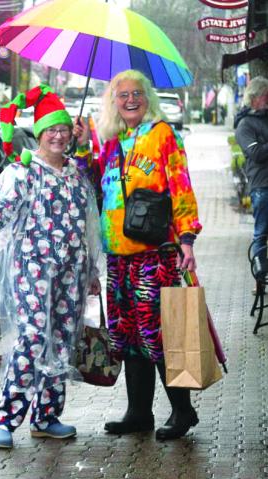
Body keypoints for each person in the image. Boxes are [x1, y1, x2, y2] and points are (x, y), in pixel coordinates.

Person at [0, 84, 101, 449]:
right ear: (39, 133)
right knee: (33, 338)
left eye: (63, 129)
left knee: (62, 340)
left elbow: (89, 226)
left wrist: (92, 274)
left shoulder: (75, 174)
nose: (57, 135)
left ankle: (46, 417)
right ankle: (6, 417)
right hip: (33, 272)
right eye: (50, 129)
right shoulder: (24, 172)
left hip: (71, 274)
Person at [73, 69, 202, 440]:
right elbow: (91, 183)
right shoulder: (113, 141)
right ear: (113, 101)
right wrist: (83, 144)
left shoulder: (163, 134)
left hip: (154, 253)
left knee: (157, 333)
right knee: (125, 334)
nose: (130, 100)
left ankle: (182, 411)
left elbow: (181, 185)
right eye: (122, 94)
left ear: (148, 98)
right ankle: (138, 412)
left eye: (137, 93)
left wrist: (188, 238)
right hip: (117, 254)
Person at [235, 76, 268, 263]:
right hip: (262, 186)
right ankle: (260, 275)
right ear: (255, 97)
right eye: (266, 96)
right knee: (261, 233)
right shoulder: (245, 125)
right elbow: (255, 153)